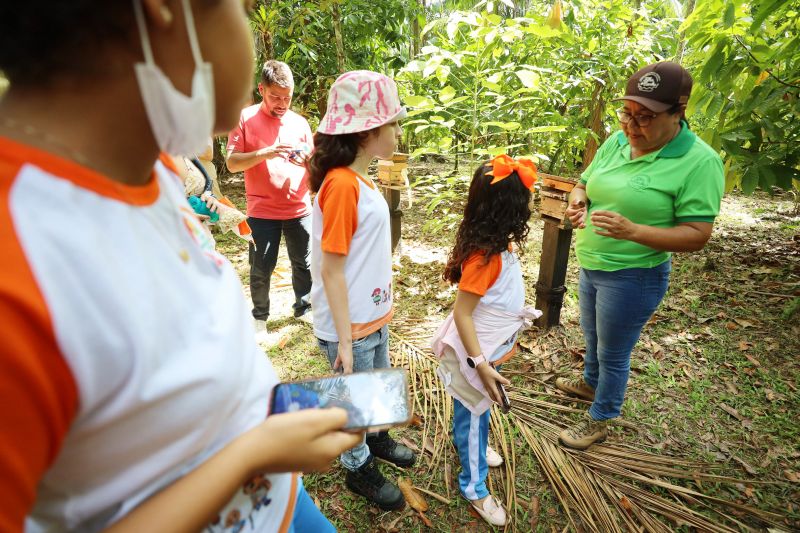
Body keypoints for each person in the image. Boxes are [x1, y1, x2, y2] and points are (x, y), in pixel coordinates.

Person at [0, 1, 362, 532]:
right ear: (168, 10)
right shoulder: (18, 264)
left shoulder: (153, 166)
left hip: (281, 503)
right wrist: (249, 455)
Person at [557, 62, 724, 450]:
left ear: (678, 113)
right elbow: (584, 182)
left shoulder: (700, 161)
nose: (632, 127)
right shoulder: (617, 142)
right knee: (593, 336)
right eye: (627, 114)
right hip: (593, 263)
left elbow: (698, 235)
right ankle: (589, 384)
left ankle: (600, 418)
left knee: (614, 351)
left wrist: (635, 232)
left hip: (634, 275)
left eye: (645, 117)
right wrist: (579, 200)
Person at [307, 71, 417, 511]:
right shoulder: (340, 186)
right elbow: (330, 269)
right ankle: (358, 467)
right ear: (369, 131)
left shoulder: (362, 179)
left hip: (372, 314)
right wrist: (346, 339)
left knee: (377, 384)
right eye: (393, 124)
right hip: (348, 323)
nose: (397, 131)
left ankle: (378, 439)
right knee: (352, 397)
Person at [431, 155, 541, 527]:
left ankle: (470, 443)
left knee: (472, 409)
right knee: (475, 409)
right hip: (475, 357)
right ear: (509, 210)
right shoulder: (486, 258)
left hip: (485, 352)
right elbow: (463, 313)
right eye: (525, 200)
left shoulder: (500, 246)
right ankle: (474, 486)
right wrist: (481, 365)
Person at [226, 60, 314, 337]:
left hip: (300, 207)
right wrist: (265, 152)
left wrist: (308, 161)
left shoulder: (300, 122)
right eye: (275, 96)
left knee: (305, 263)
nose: (282, 103)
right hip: (262, 210)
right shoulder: (243, 118)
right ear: (262, 89)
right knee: (261, 267)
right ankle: (260, 317)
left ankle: (304, 307)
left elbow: (313, 163)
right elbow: (231, 163)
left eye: (287, 97)